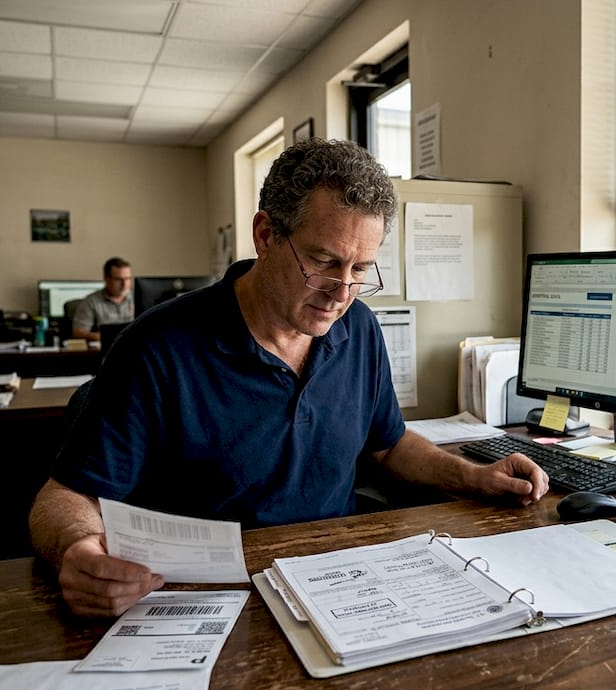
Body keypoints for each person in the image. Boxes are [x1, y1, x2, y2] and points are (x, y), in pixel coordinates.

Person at [30, 138, 548, 617]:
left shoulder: (360, 329)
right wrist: (76, 551)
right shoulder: (159, 346)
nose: (342, 292)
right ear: (265, 235)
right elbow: (66, 497)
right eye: (324, 261)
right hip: (205, 596)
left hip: (338, 585)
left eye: (361, 269)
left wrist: (473, 476)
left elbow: (388, 447)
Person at [71, 257, 134, 341]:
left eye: (127, 279)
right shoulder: (91, 302)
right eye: (119, 279)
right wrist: (100, 337)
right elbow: (77, 333)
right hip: (105, 350)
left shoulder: (137, 298)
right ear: (106, 278)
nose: (124, 284)